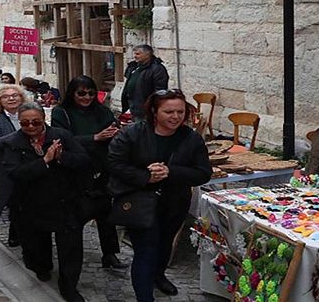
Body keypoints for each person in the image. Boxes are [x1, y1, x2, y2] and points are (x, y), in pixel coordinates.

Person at [108, 89, 211, 301]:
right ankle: (145, 298)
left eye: (180, 112)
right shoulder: (133, 134)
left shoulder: (191, 139)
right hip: (140, 203)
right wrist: (145, 176)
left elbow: (203, 173)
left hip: (173, 203)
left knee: (164, 246)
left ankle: (159, 275)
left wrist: (171, 172)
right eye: (169, 112)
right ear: (154, 112)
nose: (175, 117)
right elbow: (114, 163)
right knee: (146, 251)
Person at [2, 103, 90, 302]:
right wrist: (44, 161)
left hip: (65, 201)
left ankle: (69, 287)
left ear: (44, 120)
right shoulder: (14, 143)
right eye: (25, 123)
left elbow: (83, 160)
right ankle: (42, 267)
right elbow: (15, 173)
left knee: (70, 249)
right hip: (32, 205)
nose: (31, 126)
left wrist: (61, 157)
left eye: (36, 122)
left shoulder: (62, 136)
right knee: (36, 249)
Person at [51, 75, 127, 269]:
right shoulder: (62, 112)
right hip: (75, 169)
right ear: (72, 93)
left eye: (91, 93)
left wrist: (114, 134)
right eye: (81, 93)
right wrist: (94, 137)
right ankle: (72, 258)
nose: (87, 97)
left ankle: (110, 253)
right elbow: (63, 139)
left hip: (101, 168)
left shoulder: (102, 111)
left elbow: (112, 133)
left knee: (106, 213)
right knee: (77, 214)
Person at [0, 83, 30, 246]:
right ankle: (16, 232)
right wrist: (18, 136)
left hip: (30, 165)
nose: (11, 98)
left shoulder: (29, 114)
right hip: (7, 168)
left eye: (15, 95)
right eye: (6, 96)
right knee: (14, 201)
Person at [121, 45, 169, 121]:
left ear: (147, 55)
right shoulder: (134, 67)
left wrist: (152, 107)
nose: (135, 56)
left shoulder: (157, 69)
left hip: (146, 109)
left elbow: (160, 91)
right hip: (133, 107)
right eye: (135, 54)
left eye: (138, 54)